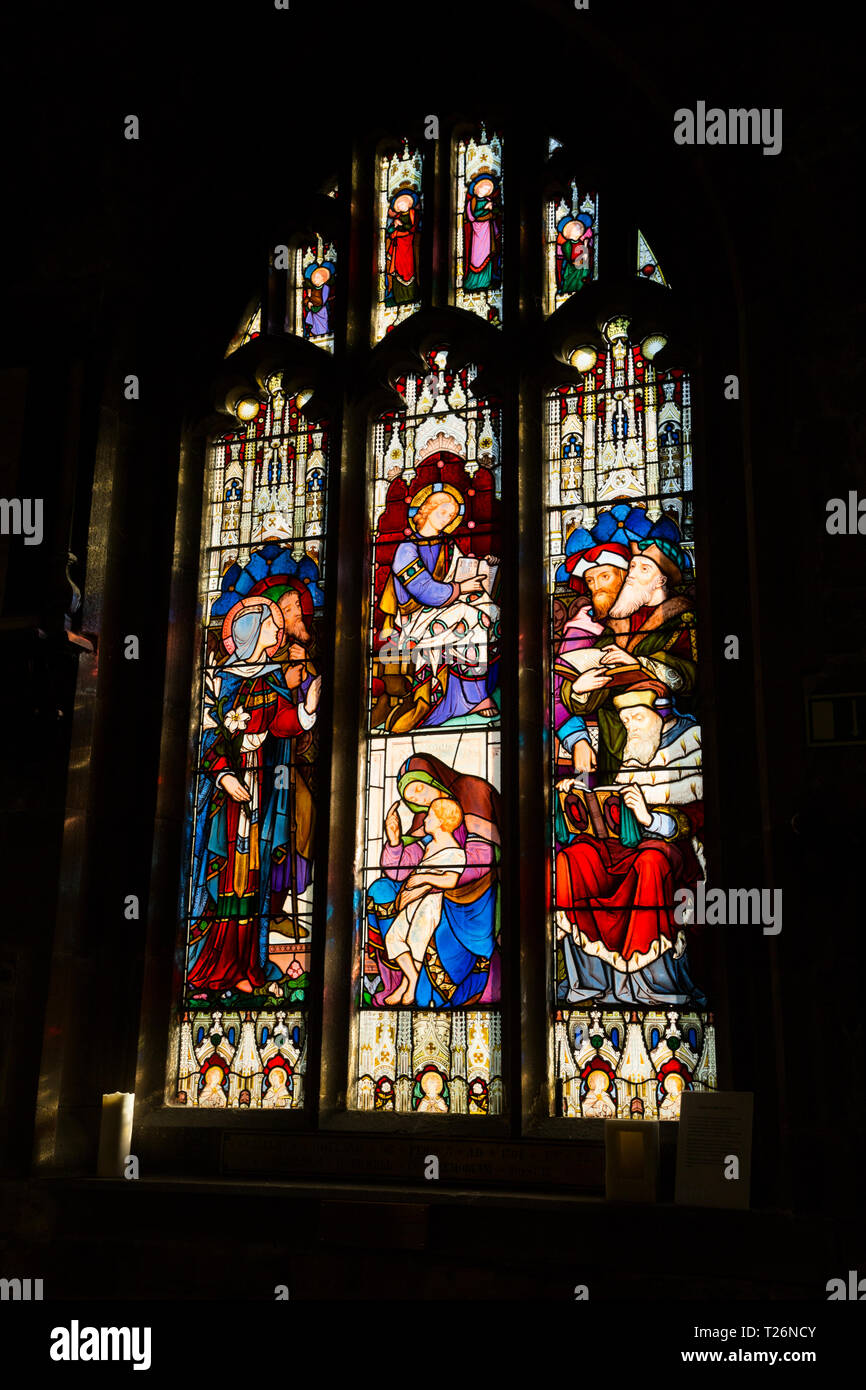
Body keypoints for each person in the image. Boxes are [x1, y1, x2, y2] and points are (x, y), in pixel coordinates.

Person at [186, 598, 321, 997]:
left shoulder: (269, 681)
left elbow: (283, 723)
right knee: (226, 875)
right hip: (226, 801)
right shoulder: (223, 684)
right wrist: (224, 775)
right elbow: (210, 739)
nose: (277, 632)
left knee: (251, 883)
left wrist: (308, 707)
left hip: (260, 795)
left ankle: (245, 965)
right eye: (270, 626)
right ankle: (212, 965)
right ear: (250, 632)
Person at [555, 683, 706, 1008]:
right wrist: (575, 790)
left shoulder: (690, 745)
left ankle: (654, 986)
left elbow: (696, 814)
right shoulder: (635, 751)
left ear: (661, 714)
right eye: (626, 721)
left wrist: (649, 817)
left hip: (671, 848)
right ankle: (589, 983)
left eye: (637, 717)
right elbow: (606, 805)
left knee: (650, 863)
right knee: (574, 858)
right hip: (623, 844)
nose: (631, 728)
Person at [380, 486, 499, 730]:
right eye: (443, 512)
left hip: (444, 607)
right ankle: (473, 697)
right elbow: (424, 590)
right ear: (426, 510)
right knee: (473, 616)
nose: (448, 519)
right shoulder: (406, 549)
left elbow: (462, 569)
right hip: (415, 619)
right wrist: (460, 589)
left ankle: (464, 695)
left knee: (491, 611)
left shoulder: (447, 546)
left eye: (452, 515)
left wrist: (484, 567)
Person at [383, 798, 466, 1005]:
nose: (425, 819)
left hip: (430, 904)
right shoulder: (427, 846)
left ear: (441, 821)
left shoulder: (454, 852)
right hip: (413, 902)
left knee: (416, 940)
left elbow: (451, 880)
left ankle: (409, 985)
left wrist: (425, 879)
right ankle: (410, 978)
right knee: (393, 938)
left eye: (430, 815)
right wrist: (394, 839)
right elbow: (398, 869)